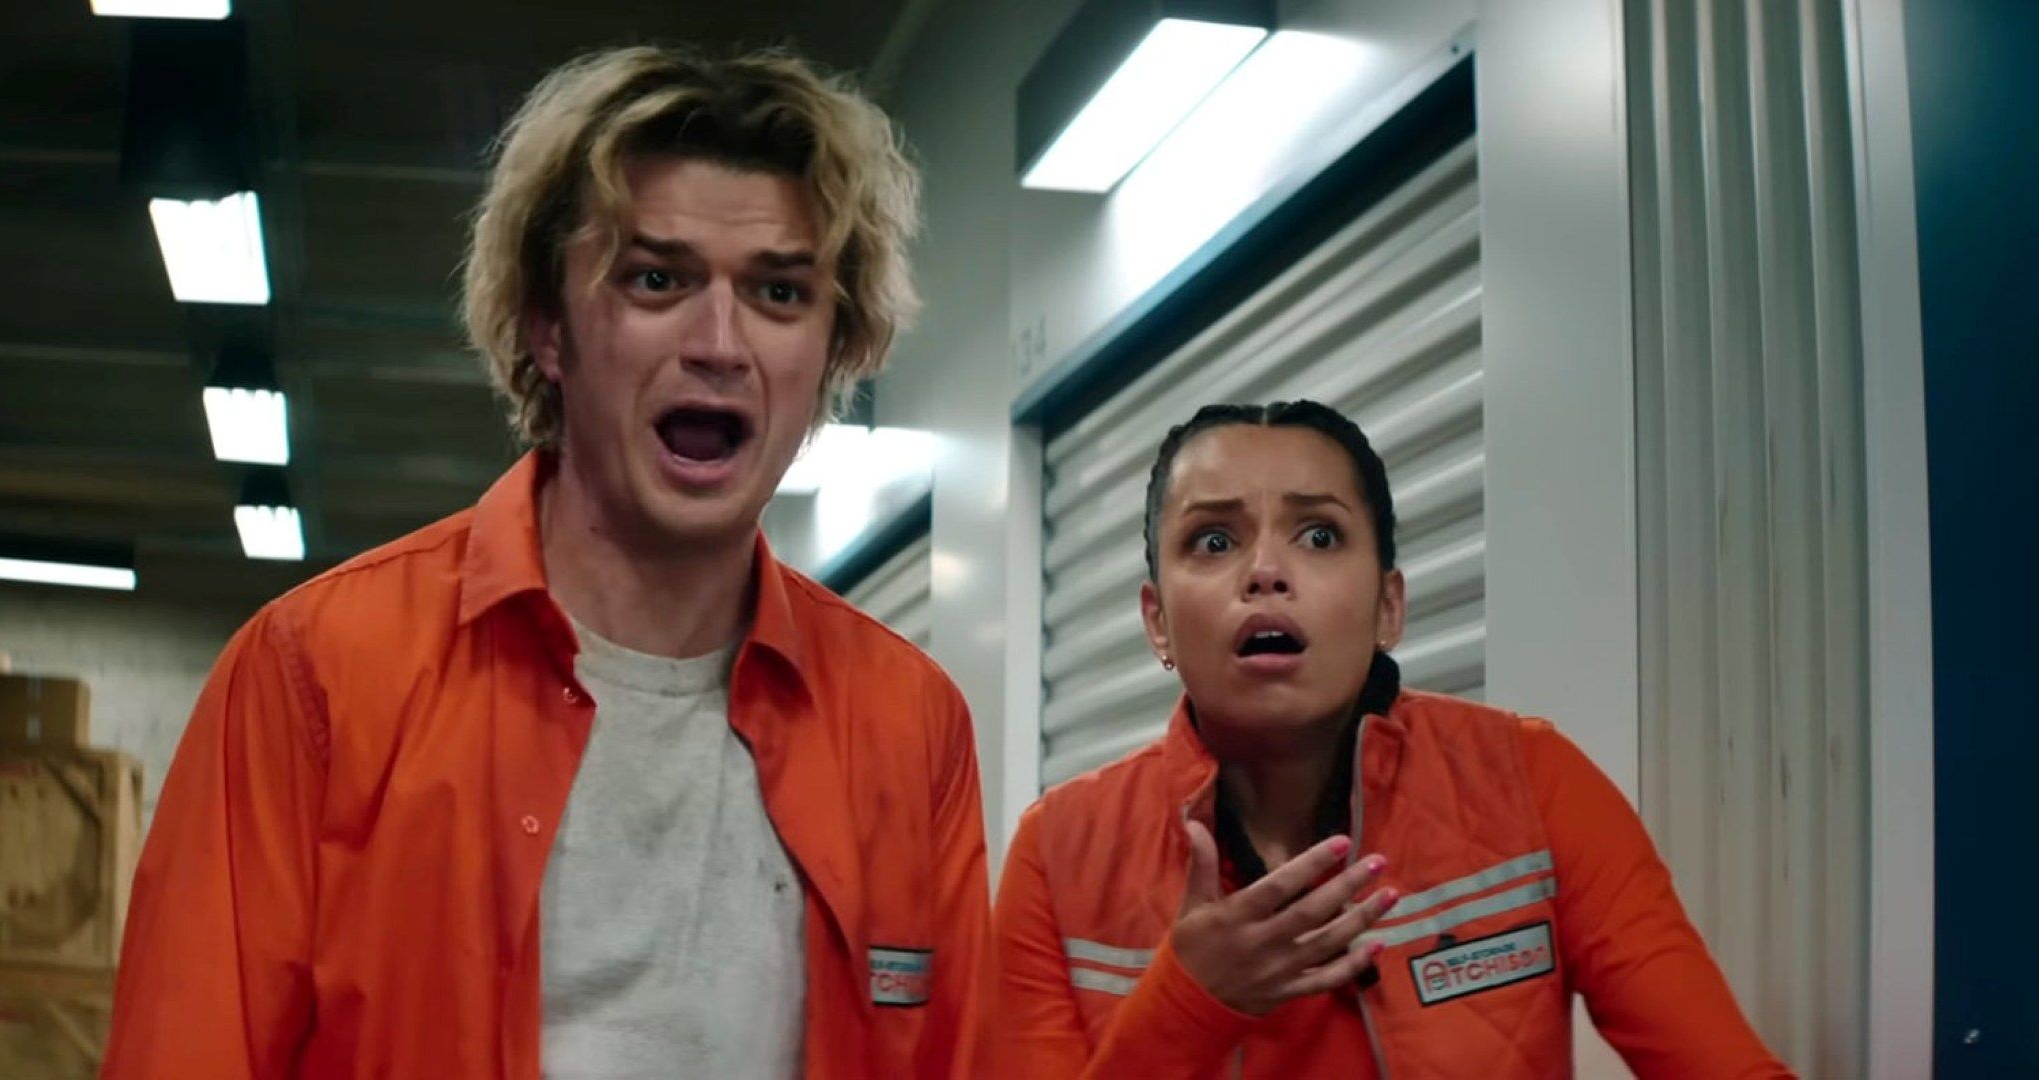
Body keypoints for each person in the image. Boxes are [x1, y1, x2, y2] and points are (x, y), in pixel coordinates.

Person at [103, 46, 988, 1080]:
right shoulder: (316, 677)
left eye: (779, 293)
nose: (719, 342)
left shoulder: (908, 726)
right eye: (656, 279)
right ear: (548, 330)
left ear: (833, 350)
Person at [988, 400, 1790, 1078]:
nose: (1264, 570)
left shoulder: (1531, 781)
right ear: (1157, 621)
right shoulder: (1056, 855)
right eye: (1214, 541)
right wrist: (1189, 1003)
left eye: (1318, 536)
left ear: (1387, 608)